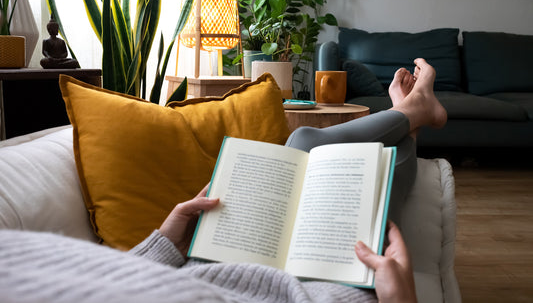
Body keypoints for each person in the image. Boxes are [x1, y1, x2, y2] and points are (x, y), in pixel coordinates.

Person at [0, 59, 445, 303]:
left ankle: (409, 117)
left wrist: (164, 243)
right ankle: (409, 117)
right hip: (315, 285)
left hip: (216, 258)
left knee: (304, 141)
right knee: (332, 154)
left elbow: (108, 277)